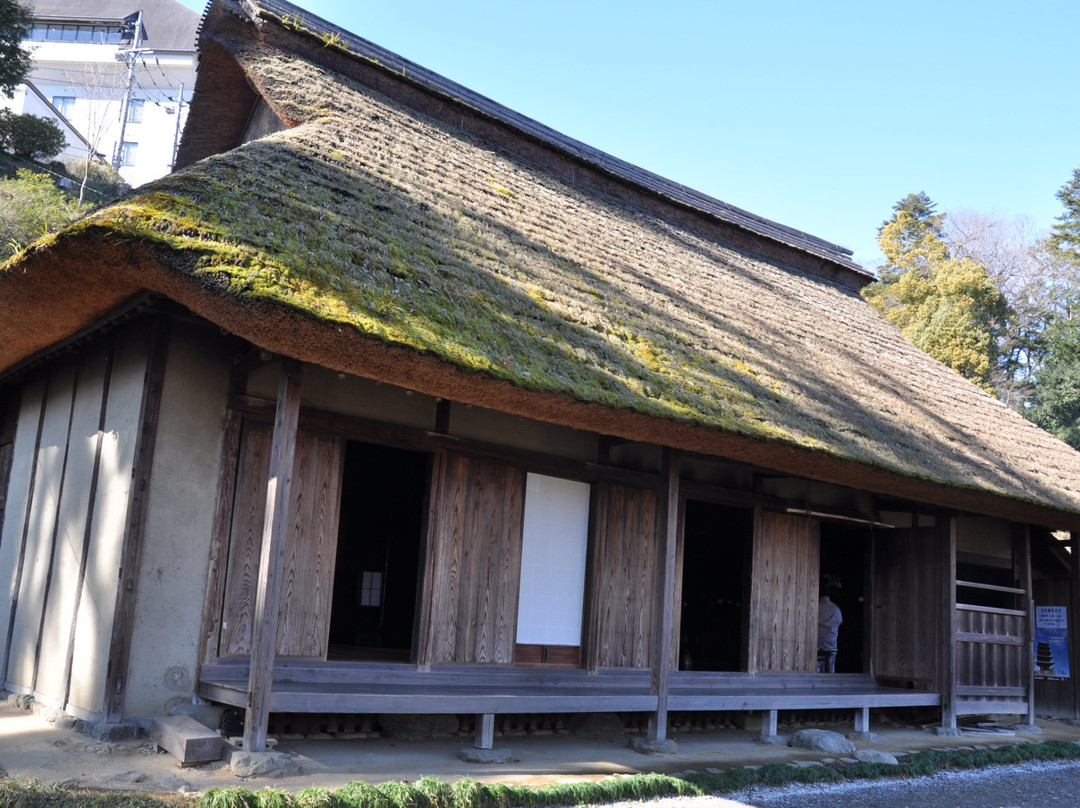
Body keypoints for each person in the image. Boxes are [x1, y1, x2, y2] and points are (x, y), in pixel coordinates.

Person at [817, 591, 842, 673]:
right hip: (831, 643)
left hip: (818, 643)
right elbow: (840, 622)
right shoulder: (836, 609)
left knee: (816, 667)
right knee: (830, 668)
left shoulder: (817, 607)